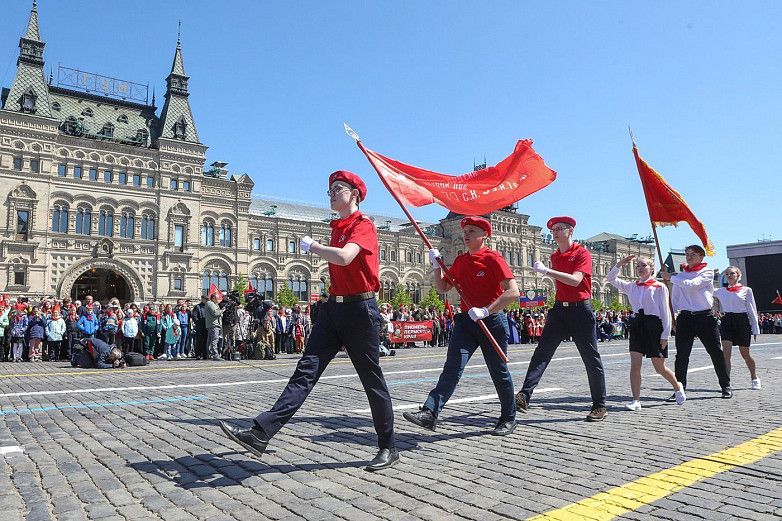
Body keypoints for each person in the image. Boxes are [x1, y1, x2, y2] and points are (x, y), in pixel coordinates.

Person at [220, 170, 398, 471]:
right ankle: (261, 433)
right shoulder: (338, 227)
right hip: (333, 310)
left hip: (360, 310)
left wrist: (312, 247)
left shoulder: (363, 226)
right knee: (304, 373)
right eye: (329, 189)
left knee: (371, 381)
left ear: (354, 194)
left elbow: (344, 258)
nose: (331, 193)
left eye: (337, 188)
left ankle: (387, 446)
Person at [404, 216, 520, 436]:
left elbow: (512, 292)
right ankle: (430, 412)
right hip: (467, 321)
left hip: (491, 321)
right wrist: (437, 266)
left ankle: (508, 417)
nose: (466, 234)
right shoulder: (460, 261)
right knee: (452, 367)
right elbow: (443, 288)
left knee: (499, 371)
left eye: (472, 231)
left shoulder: (493, 259)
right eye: (465, 231)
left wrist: (487, 310)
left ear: (485, 235)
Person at [515, 216, 608, 421]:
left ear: (570, 231)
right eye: (553, 230)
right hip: (559, 310)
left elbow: (576, 281)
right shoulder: (556, 256)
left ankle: (599, 405)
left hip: (581, 310)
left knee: (591, 358)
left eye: (559, 229)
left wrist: (548, 271)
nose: (555, 232)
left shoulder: (582, 253)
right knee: (542, 353)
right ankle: (524, 395)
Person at [608, 254, 685, 410]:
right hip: (637, 325)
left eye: (644, 265)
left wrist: (665, 335)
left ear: (651, 268)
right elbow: (611, 279)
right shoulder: (631, 286)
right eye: (638, 266)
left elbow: (665, 312)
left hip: (654, 326)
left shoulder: (659, 287)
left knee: (659, 367)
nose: (640, 268)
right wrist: (621, 263)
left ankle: (677, 386)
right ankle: (636, 400)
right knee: (635, 365)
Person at [660, 244, 732, 398]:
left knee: (715, 352)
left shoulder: (706, 272)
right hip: (685, 317)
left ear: (701, 256)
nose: (689, 256)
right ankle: (680, 389)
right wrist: (673, 317)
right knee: (682, 355)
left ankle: (725, 385)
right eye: (687, 253)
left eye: (692, 254)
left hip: (704, 317)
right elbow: (676, 298)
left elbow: (693, 285)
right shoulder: (681, 275)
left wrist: (671, 277)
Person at [714, 266, 761, 390]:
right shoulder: (720, 291)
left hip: (742, 321)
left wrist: (755, 328)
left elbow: (752, 309)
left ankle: (754, 377)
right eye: (727, 274)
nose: (729, 275)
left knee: (745, 354)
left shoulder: (746, 290)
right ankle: (726, 383)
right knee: (726, 354)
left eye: (732, 273)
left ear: (738, 275)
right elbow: (704, 290)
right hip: (726, 321)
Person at [205, 292, 224, 361]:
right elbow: (215, 313)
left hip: (214, 324)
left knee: (210, 340)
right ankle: (215, 355)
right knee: (214, 340)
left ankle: (210, 354)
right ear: (213, 298)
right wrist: (222, 311)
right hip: (213, 325)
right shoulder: (210, 303)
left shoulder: (215, 304)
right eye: (217, 298)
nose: (218, 300)